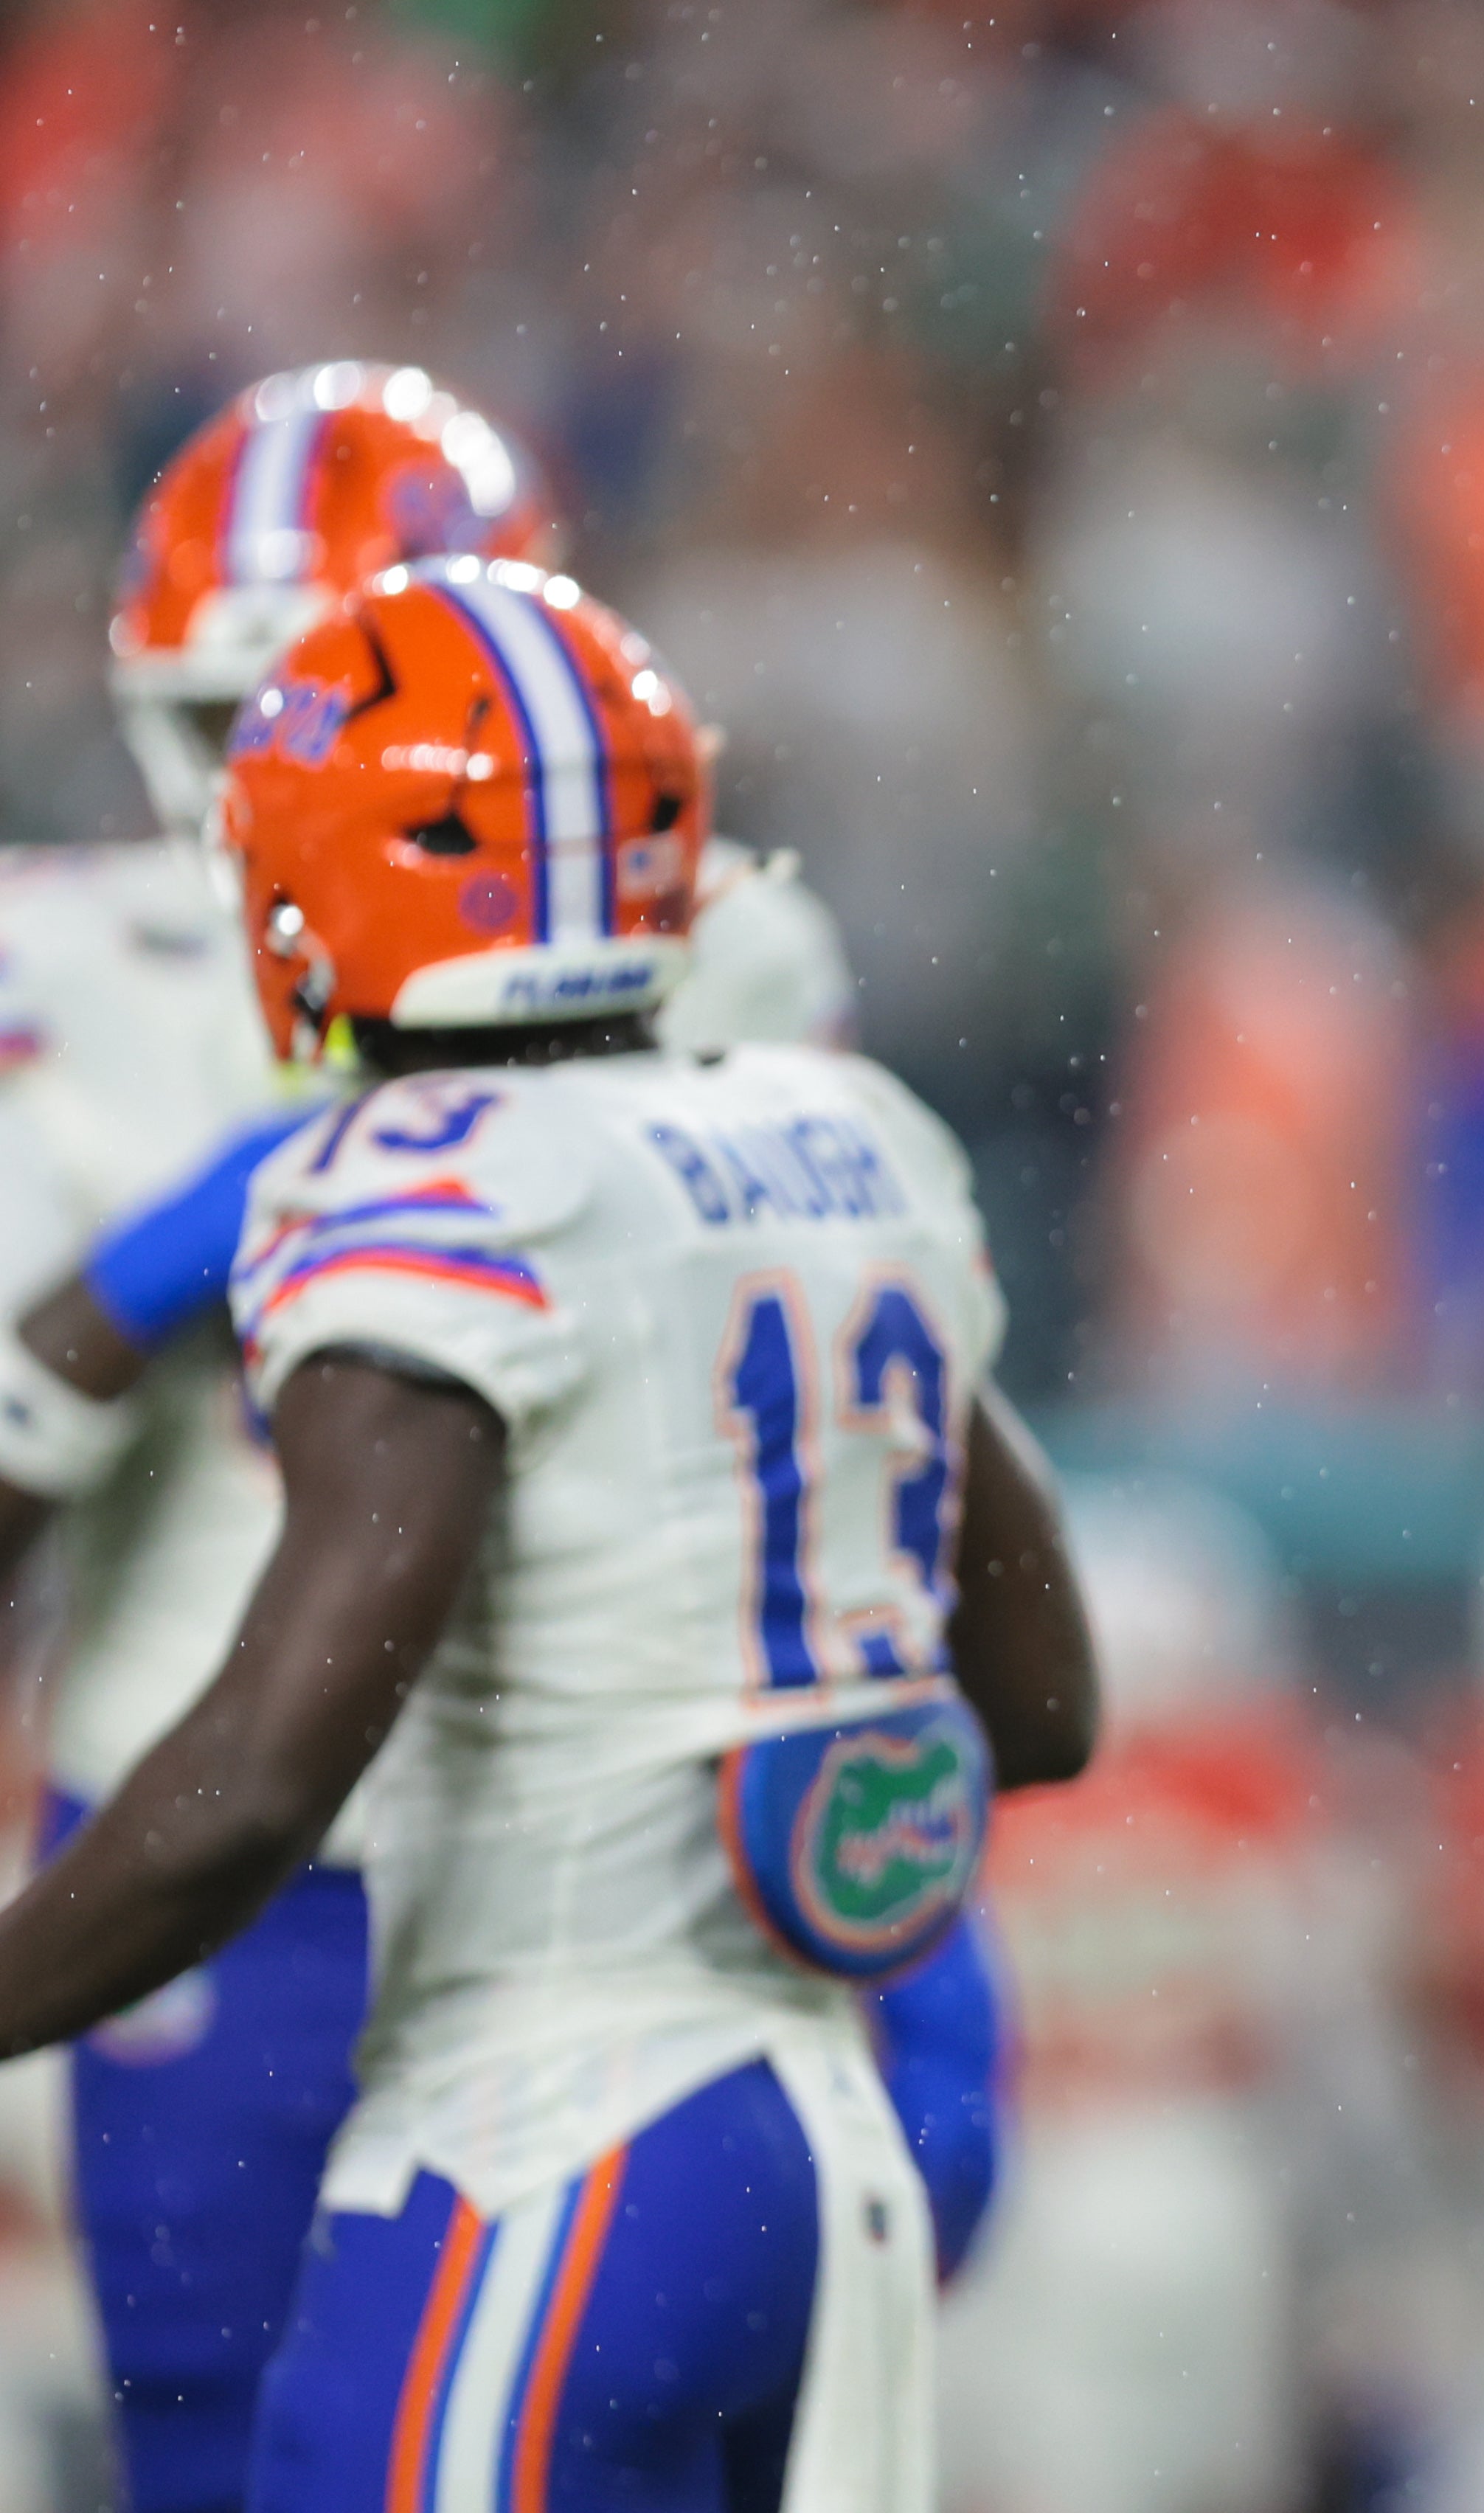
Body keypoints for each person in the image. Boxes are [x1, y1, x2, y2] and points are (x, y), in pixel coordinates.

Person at [0, 372, 1016, 2513]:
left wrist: (922, 1903)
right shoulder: (63, 970)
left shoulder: (716, 977)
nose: (325, 775)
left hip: (562, 1917)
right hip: (305, 1892)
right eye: (258, 707)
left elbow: (859, 1499)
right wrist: (116, 1302)